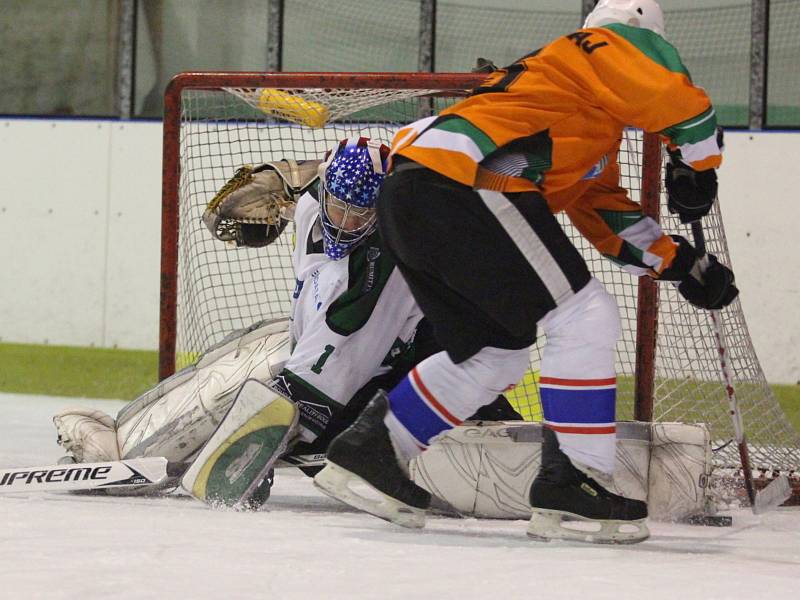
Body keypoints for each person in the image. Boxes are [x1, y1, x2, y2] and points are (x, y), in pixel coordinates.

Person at [314, 0, 739, 544]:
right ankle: (573, 479)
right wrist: (698, 164)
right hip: (464, 182)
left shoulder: (578, 114)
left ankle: (373, 448)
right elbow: (673, 98)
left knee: (499, 351)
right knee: (585, 314)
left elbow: (606, 215)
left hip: (421, 193)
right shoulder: (598, 47)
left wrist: (684, 265)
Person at [53, 137, 519, 504]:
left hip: (389, 411)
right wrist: (280, 179)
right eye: (339, 206)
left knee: (262, 375)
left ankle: (137, 453)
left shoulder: (371, 283)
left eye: (362, 215)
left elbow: (311, 396)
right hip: (375, 375)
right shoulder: (322, 196)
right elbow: (326, 176)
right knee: (268, 343)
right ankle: (128, 433)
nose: (347, 221)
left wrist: (243, 453)